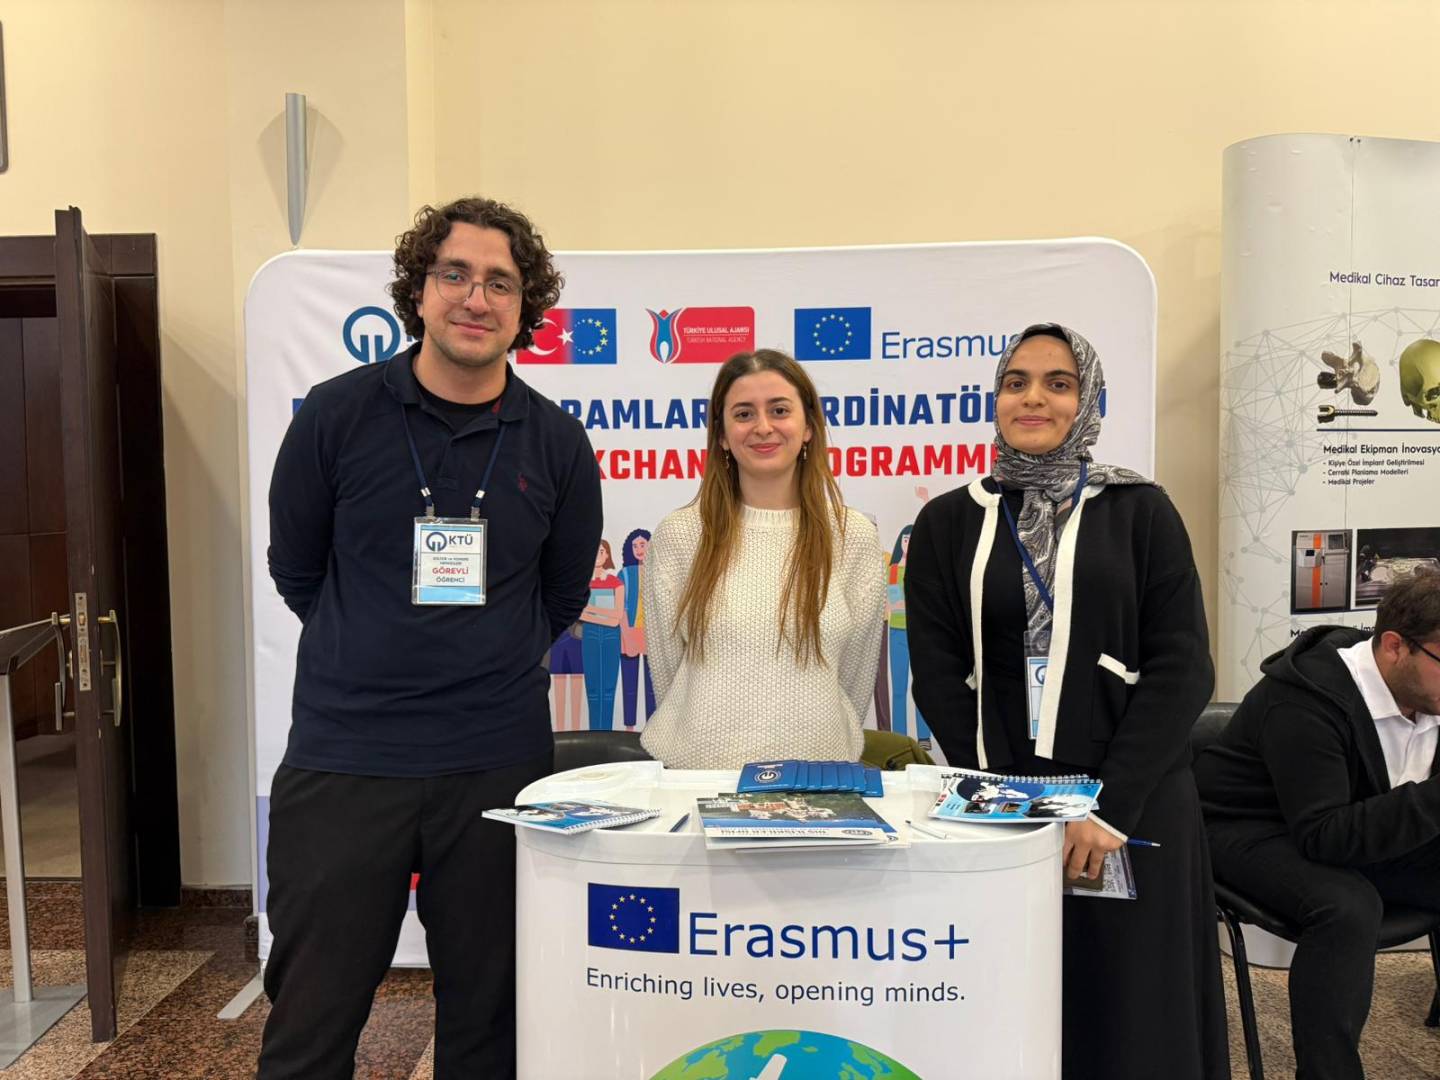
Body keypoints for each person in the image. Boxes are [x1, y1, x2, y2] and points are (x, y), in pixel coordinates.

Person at [262, 196, 602, 1079]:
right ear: (419, 291)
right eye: (455, 274)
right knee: (311, 1022)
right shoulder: (335, 415)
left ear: (525, 309)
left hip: (495, 766)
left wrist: (484, 659)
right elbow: (297, 569)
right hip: (345, 761)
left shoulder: (558, 443)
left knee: (489, 1026)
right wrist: (372, 646)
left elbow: (562, 593)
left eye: (500, 283)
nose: (475, 298)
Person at [904, 323, 1227, 1079]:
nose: (1033, 399)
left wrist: (1107, 807)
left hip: (1131, 805)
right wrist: (1004, 802)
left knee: (1131, 1010)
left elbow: (1183, 667)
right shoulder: (950, 520)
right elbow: (938, 671)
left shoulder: (1142, 511)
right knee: (1012, 998)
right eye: (1015, 382)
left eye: (1058, 383)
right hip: (1006, 800)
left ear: (1087, 401)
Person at [1195, 567, 1440, 1080]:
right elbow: (1324, 836)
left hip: (1354, 822)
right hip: (1245, 826)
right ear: (1395, 646)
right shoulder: (1305, 700)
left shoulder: (1426, 686)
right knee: (1347, 908)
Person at [641, 349, 885, 768]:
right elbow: (668, 674)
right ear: (721, 435)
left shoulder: (853, 536)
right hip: (696, 779)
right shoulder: (680, 535)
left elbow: (854, 679)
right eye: (743, 414)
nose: (763, 427)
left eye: (779, 410)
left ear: (809, 427)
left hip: (819, 779)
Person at [580, 539, 624, 730]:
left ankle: (605, 733)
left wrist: (591, 610)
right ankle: (594, 734)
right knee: (592, 689)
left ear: (607, 556)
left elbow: (616, 619)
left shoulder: (616, 583)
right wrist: (606, 614)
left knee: (607, 690)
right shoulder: (583, 584)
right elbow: (579, 614)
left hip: (611, 637)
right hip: (589, 636)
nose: (598, 555)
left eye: (602, 551)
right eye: (594, 550)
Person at [617, 527, 656, 729]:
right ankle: (629, 727)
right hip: (630, 633)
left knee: (653, 687)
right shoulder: (625, 574)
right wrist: (627, 635)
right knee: (629, 685)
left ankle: (652, 727)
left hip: (652, 635)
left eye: (642, 544)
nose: (639, 549)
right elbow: (621, 608)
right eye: (635, 546)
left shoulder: (659, 572)